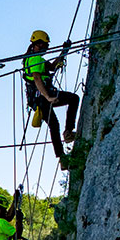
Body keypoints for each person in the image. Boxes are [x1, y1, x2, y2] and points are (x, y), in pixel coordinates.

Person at [22, 30, 80, 169]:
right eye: (43, 46)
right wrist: (48, 96)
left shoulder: (35, 59)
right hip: (43, 97)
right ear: (36, 45)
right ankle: (68, 133)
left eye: (46, 46)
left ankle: (62, 157)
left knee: (54, 125)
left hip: (40, 98)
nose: (45, 49)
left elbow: (53, 67)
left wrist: (64, 51)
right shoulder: (35, 59)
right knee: (73, 99)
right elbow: (36, 78)